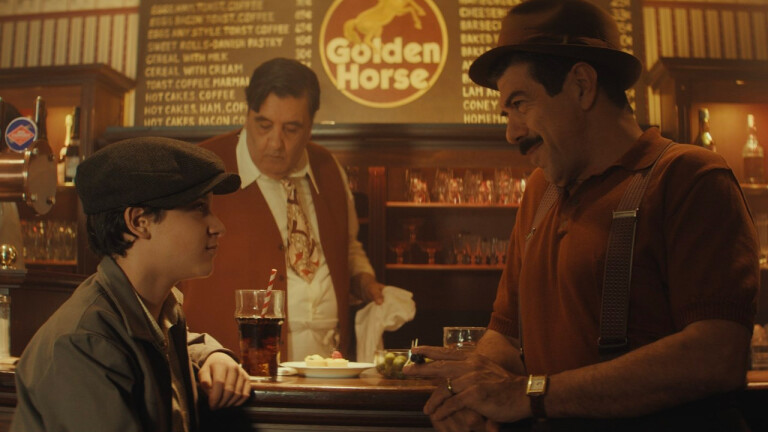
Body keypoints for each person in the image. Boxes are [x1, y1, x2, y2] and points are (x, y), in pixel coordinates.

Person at [404, 0, 759, 430]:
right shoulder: (541, 191)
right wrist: (470, 394)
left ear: (581, 85)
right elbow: (506, 336)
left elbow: (717, 354)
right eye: (506, 112)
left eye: (520, 103)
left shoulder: (690, 177)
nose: (511, 132)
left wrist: (528, 393)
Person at [11, 137, 252, 432]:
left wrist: (212, 355)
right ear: (139, 222)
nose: (218, 227)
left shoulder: (157, 310)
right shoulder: (84, 344)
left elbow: (151, 347)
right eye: (199, 208)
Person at [181, 58, 385, 361]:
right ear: (247, 114)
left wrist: (364, 279)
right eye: (264, 125)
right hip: (229, 368)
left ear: (310, 126)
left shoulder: (328, 167)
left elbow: (348, 247)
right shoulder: (201, 167)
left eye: (291, 129)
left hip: (328, 364)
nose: (275, 142)